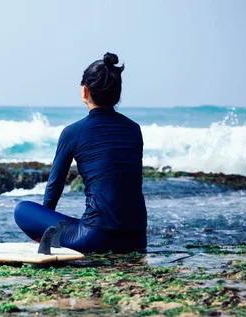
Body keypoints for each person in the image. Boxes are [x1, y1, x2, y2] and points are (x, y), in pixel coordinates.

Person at [14, 52, 147, 253]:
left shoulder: (73, 132)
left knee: (22, 210)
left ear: (85, 91)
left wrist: (43, 223)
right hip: (136, 239)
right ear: (118, 94)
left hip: (96, 239)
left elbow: (55, 185)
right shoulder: (134, 129)